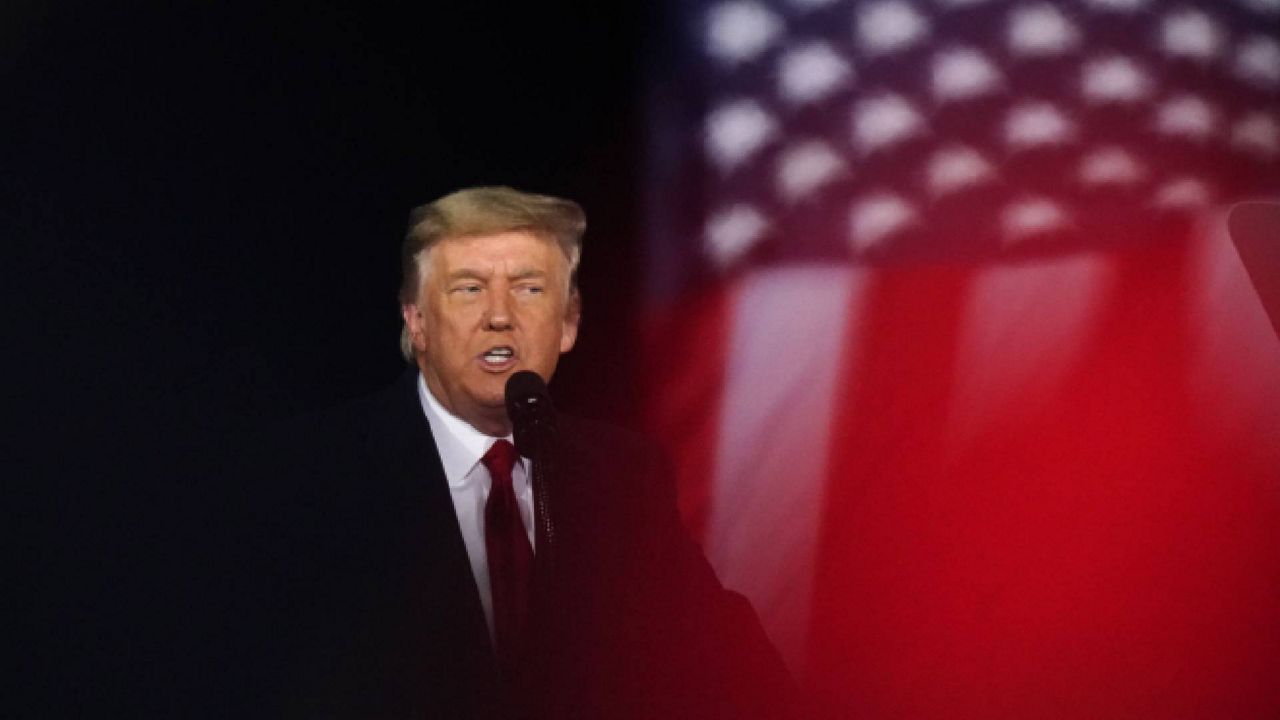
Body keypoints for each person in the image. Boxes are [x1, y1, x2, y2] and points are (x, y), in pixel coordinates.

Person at [232, 187, 794, 718]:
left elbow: (722, 657)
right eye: (469, 288)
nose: (500, 315)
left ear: (569, 324)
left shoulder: (622, 475)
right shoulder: (310, 472)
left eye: (528, 287)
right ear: (416, 321)